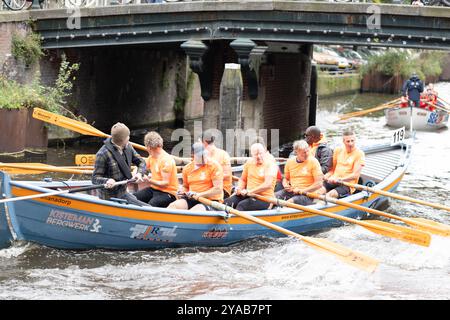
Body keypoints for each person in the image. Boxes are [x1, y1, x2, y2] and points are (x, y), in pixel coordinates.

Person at [92, 122, 147, 205]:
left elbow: (141, 162)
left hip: (123, 192)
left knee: (139, 202)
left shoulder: (128, 147)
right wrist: (107, 180)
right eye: (127, 136)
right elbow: (94, 179)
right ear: (122, 140)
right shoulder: (102, 154)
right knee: (143, 207)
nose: (129, 138)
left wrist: (139, 173)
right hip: (109, 198)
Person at [167, 142, 223, 211]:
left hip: (211, 201)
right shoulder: (187, 168)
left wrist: (200, 194)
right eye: (200, 156)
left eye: (204, 154)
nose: (203, 158)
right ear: (193, 156)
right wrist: (181, 192)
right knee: (173, 206)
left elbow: (218, 189)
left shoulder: (214, 166)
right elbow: (185, 187)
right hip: (193, 198)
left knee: (194, 211)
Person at [224, 143, 278, 211]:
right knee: (226, 203)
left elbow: (267, 184)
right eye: (256, 154)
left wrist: (250, 191)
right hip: (248, 194)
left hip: (264, 198)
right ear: (252, 154)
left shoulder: (270, 164)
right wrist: (240, 188)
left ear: (264, 152)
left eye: (260, 153)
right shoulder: (249, 162)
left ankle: (233, 221)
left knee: (241, 206)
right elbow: (243, 179)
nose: (258, 156)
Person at [133, 131, 178, 207]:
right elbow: (142, 166)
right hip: (154, 189)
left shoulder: (166, 160)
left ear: (149, 147)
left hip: (168, 193)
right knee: (133, 198)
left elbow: (165, 183)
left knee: (152, 204)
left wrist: (149, 180)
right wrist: (137, 173)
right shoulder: (151, 157)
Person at [319, 129, 365, 199]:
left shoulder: (359, 154)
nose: (350, 143)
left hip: (347, 185)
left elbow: (355, 175)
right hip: (334, 180)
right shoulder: (338, 150)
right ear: (343, 141)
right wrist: (327, 175)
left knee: (329, 195)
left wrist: (340, 179)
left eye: (352, 141)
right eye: (348, 141)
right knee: (317, 191)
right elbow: (332, 170)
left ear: (355, 140)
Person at [275, 140, 323, 206]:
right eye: (303, 153)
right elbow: (286, 178)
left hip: (308, 194)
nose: (307, 154)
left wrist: (303, 190)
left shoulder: (314, 162)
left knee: (289, 203)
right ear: (296, 153)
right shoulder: (290, 162)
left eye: (307, 151)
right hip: (293, 191)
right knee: (273, 198)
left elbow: (319, 184)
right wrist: (285, 185)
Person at [201, 132, 233, 199]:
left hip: (222, 188)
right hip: (205, 187)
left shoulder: (223, 154)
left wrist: (209, 179)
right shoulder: (202, 155)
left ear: (204, 142)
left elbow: (227, 174)